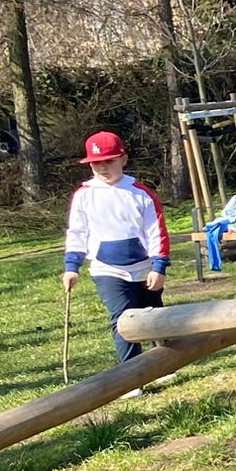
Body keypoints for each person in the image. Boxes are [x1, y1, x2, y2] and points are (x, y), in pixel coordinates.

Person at [62, 131, 170, 363]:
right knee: (123, 319)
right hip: (107, 269)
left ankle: (164, 363)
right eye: (96, 163)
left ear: (123, 159)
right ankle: (130, 373)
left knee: (153, 316)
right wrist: (72, 267)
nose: (103, 167)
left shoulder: (140, 193)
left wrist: (158, 267)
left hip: (144, 268)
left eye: (109, 161)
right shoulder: (84, 195)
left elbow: (156, 232)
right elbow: (77, 232)